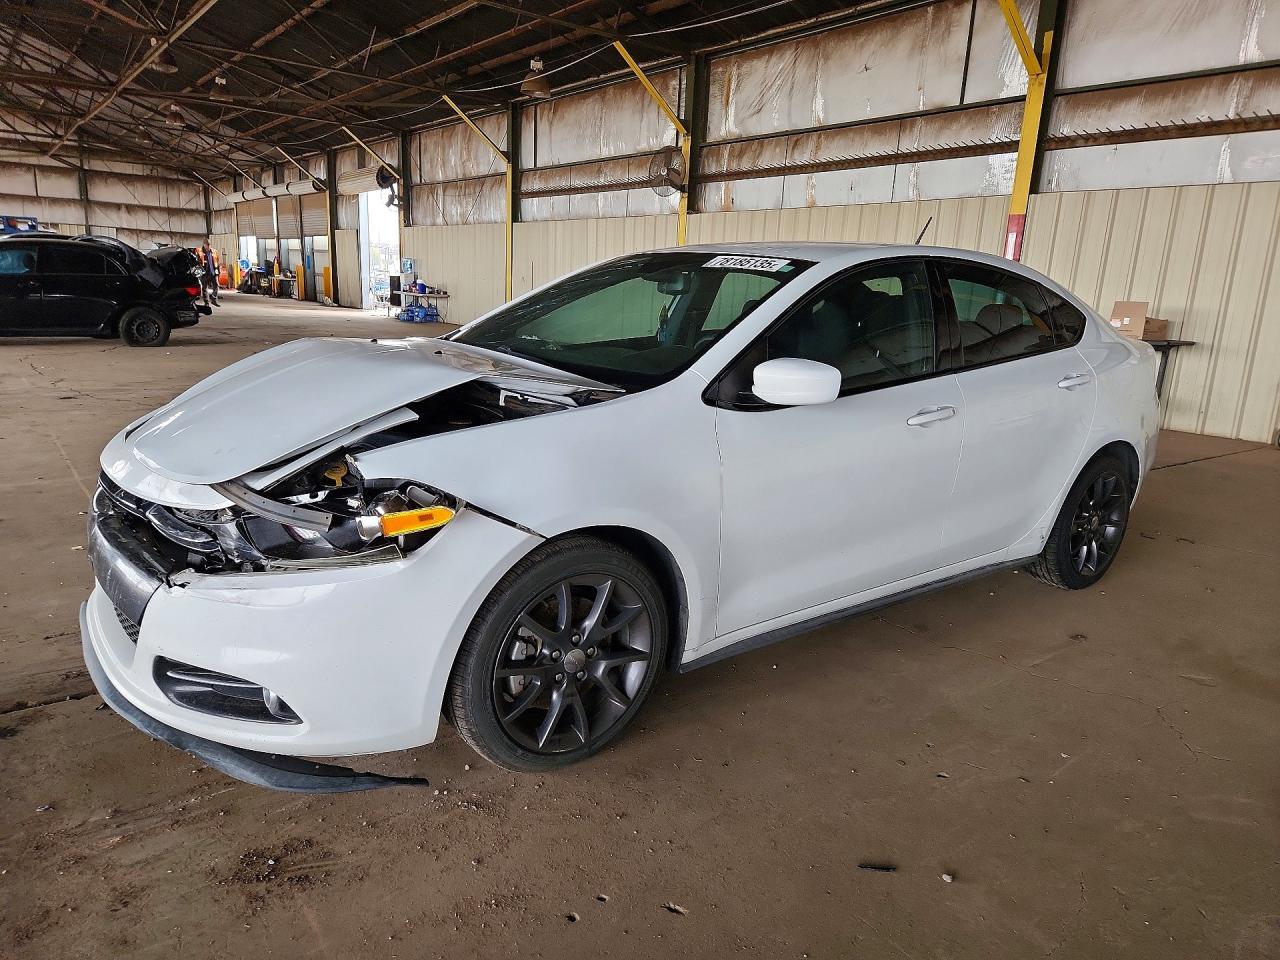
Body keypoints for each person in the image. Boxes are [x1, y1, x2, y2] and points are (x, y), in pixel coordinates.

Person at [199, 240, 220, 306]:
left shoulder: (214, 252)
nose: (208, 246)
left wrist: (217, 274)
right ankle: (206, 303)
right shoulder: (200, 252)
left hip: (213, 272)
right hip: (204, 273)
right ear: (204, 244)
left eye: (209, 245)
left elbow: (217, 263)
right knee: (205, 288)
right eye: (207, 245)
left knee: (216, 286)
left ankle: (214, 298)